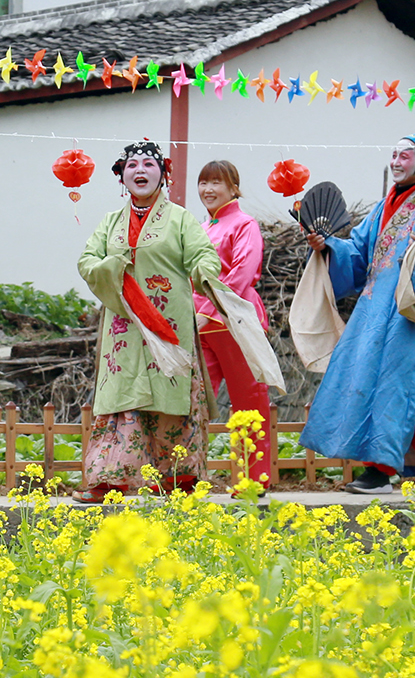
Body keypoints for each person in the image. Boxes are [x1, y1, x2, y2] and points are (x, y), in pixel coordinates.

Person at [300, 127, 415, 494]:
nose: (395, 161)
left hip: (410, 314)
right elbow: (357, 252)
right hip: (373, 309)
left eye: (404, 156)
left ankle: (380, 471)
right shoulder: (380, 209)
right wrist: (328, 245)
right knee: (372, 382)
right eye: (393, 154)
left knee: (396, 387)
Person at [75, 140, 222, 502]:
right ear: (122, 176)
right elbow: (87, 261)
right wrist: (112, 265)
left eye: (148, 164)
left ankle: (178, 479)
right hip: (124, 327)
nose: (139, 170)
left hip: (168, 325)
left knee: (171, 398)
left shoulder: (181, 219)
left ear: (163, 175)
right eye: (132, 165)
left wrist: (206, 272)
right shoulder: (110, 222)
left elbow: (203, 254)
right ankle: (108, 483)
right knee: (121, 400)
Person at [194, 160, 274, 495]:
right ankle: (184, 475)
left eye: (216, 182)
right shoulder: (200, 228)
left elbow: (241, 274)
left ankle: (253, 480)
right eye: (203, 183)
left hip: (234, 322)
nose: (208, 189)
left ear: (233, 188)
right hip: (201, 325)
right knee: (194, 401)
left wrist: (207, 311)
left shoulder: (245, 224)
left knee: (249, 401)